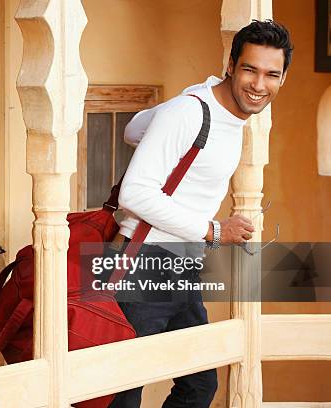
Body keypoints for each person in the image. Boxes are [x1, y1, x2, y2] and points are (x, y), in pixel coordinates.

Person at [108, 20, 293, 408]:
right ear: (231, 65)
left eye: (271, 74)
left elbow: (132, 129)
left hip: (181, 267)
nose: (259, 85)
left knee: (199, 386)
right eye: (250, 70)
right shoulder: (190, 112)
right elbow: (134, 192)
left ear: (282, 78)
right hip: (145, 263)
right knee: (120, 394)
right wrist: (212, 230)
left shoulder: (212, 111)